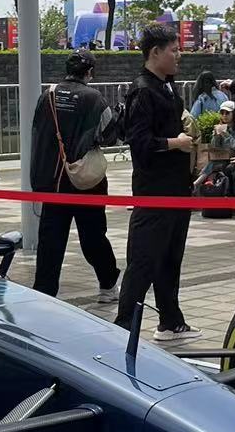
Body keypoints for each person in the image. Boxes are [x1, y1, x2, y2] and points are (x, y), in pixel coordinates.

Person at [115, 23, 198, 342]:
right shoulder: (143, 90)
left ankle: (171, 322)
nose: (179, 56)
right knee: (144, 261)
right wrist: (176, 143)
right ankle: (123, 328)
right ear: (155, 53)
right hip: (154, 191)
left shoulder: (167, 86)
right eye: (174, 50)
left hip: (177, 188)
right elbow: (139, 143)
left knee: (170, 258)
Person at [28, 51, 121, 301]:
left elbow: (38, 133)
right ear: (89, 72)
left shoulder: (47, 96)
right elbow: (108, 136)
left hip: (54, 179)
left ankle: (44, 293)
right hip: (86, 181)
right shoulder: (94, 98)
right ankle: (108, 284)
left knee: (50, 240)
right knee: (93, 235)